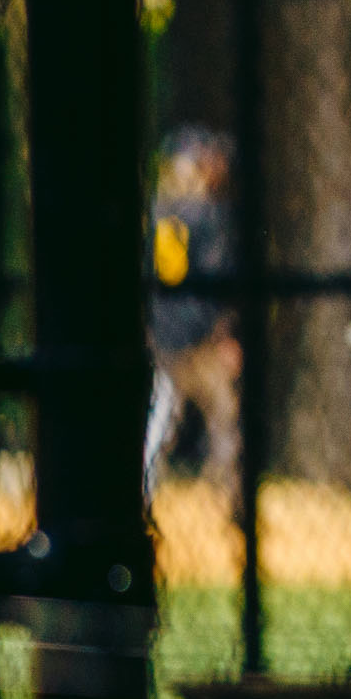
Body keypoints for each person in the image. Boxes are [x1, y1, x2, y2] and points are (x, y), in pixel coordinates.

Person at [145, 126, 242, 499]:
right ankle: (232, 495)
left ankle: (144, 489)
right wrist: (225, 334)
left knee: (163, 416)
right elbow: (217, 279)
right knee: (223, 416)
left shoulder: (160, 212)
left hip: (167, 329)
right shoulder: (207, 214)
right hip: (200, 332)